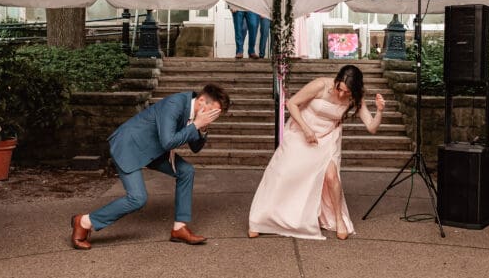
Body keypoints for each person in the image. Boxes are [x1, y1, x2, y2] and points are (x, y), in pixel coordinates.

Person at [71, 84, 231, 249]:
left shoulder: (195, 114)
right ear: (202, 100)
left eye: (216, 115)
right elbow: (168, 141)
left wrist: (202, 129)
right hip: (129, 145)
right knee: (137, 199)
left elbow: (195, 148)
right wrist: (196, 125)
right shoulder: (175, 104)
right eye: (213, 112)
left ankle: (179, 228)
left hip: (152, 148)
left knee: (186, 171)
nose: (212, 117)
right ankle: (84, 221)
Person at [248, 65, 385, 240]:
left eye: (347, 92)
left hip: (327, 137)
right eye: (339, 89)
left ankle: (338, 219)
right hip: (301, 130)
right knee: (283, 174)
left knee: (331, 177)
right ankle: (260, 220)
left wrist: (380, 111)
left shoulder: (356, 98)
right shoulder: (320, 85)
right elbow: (292, 103)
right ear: (335, 82)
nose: (342, 95)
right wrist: (306, 129)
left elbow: (372, 127)